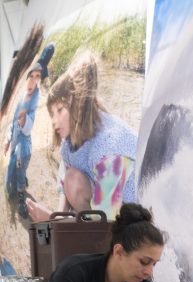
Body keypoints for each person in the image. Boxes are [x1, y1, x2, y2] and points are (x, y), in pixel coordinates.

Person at [25, 52, 139, 223]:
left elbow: (108, 224)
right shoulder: (71, 144)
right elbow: (66, 185)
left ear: (76, 104)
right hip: (107, 211)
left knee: (99, 231)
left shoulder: (109, 147)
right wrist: (58, 219)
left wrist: (53, 221)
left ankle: (86, 237)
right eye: (51, 114)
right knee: (72, 179)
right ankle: (81, 232)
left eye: (60, 110)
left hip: (133, 222)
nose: (54, 121)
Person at [24, 203, 165, 282]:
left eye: (154, 264)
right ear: (119, 252)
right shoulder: (71, 276)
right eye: (144, 261)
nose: (149, 272)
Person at [3, 61, 46, 220]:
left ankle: (22, 195)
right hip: (14, 144)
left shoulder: (32, 104)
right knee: (8, 185)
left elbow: (28, 127)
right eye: (31, 76)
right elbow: (13, 122)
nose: (33, 81)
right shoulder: (21, 99)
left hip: (23, 148)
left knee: (19, 172)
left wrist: (23, 119)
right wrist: (7, 139)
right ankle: (18, 182)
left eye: (37, 77)